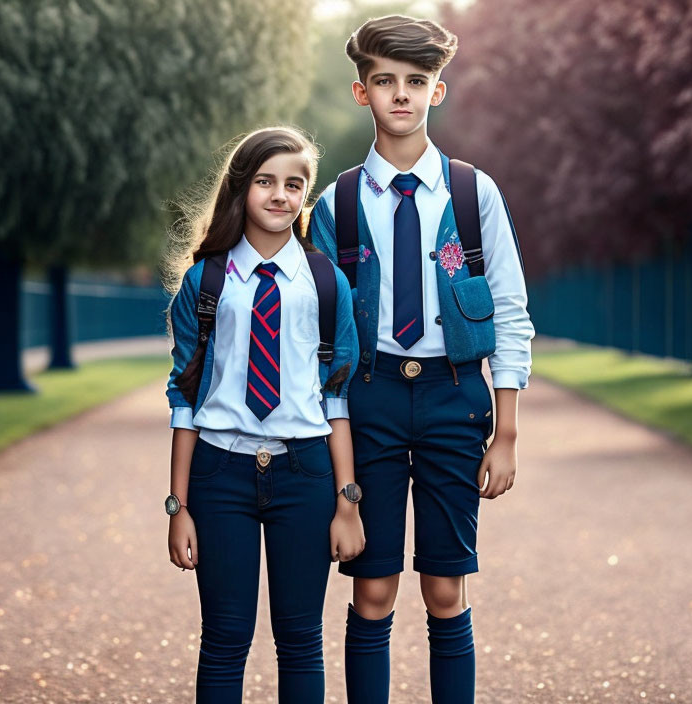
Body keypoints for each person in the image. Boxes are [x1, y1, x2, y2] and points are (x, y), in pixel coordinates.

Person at [308, 16, 536, 704]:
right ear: (361, 92)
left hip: (454, 397)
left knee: (444, 585)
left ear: (437, 92)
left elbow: (513, 313)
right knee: (373, 588)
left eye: (416, 82)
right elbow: (322, 339)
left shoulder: (474, 195)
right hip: (371, 398)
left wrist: (507, 432)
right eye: (385, 82)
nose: (400, 95)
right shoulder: (336, 204)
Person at [164, 126, 365, 704]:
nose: (280, 195)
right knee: (225, 638)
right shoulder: (206, 281)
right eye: (266, 181)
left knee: (300, 638)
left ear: (306, 194)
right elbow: (184, 398)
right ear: (241, 188)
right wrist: (178, 506)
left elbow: (338, 397)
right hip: (219, 473)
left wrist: (347, 502)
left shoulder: (327, 283)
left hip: (305, 473)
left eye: (294, 184)